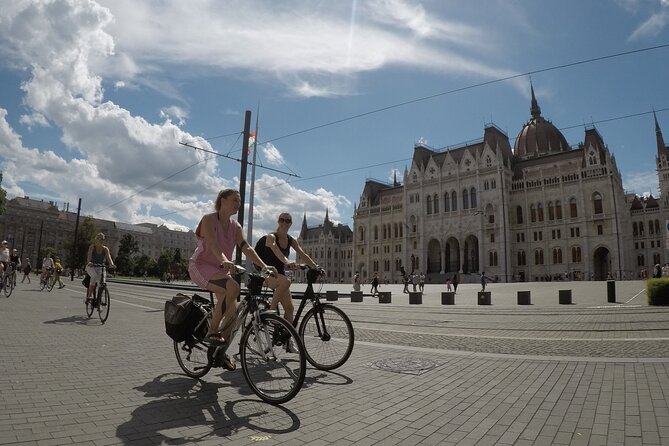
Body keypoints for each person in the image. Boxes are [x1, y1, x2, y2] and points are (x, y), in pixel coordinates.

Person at [188, 189, 274, 369]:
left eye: (239, 201)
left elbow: (246, 247)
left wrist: (263, 265)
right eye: (235, 200)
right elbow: (212, 244)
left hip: (220, 269)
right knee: (233, 287)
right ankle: (212, 331)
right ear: (223, 201)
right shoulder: (208, 219)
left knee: (233, 316)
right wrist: (225, 260)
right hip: (201, 266)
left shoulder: (236, 226)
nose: (238, 204)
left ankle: (218, 352)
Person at [254, 212, 319, 334]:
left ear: (291, 223)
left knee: (289, 308)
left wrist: (316, 267)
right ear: (278, 221)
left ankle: (287, 339)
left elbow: (302, 254)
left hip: (279, 274)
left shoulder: (291, 240)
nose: (284, 223)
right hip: (264, 272)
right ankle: (270, 312)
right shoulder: (271, 237)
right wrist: (287, 261)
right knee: (286, 281)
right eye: (282, 220)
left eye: (287, 221)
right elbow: (275, 249)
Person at [86, 233, 115, 302]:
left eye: (102, 239)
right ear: (96, 239)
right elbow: (89, 256)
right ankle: (89, 295)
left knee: (102, 283)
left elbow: (109, 258)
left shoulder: (105, 249)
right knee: (94, 277)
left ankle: (99, 301)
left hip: (100, 267)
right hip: (91, 266)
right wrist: (89, 262)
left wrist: (112, 264)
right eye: (98, 238)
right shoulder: (92, 247)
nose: (100, 240)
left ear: (104, 240)